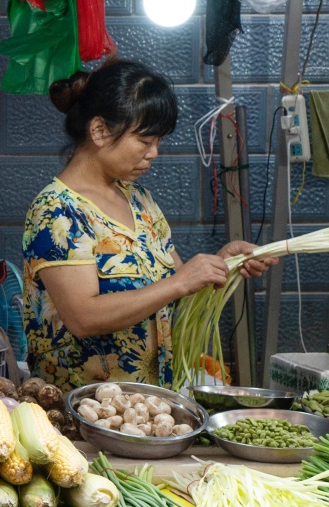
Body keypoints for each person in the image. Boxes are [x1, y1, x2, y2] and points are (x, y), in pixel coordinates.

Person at [21, 59, 271, 389]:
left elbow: (176, 286)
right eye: (144, 140)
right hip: (88, 408)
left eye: (159, 142)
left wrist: (224, 263)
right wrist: (180, 283)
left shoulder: (140, 200)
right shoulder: (58, 211)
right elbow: (83, 317)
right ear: (99, 130)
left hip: (151, 406)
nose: (154, 153)